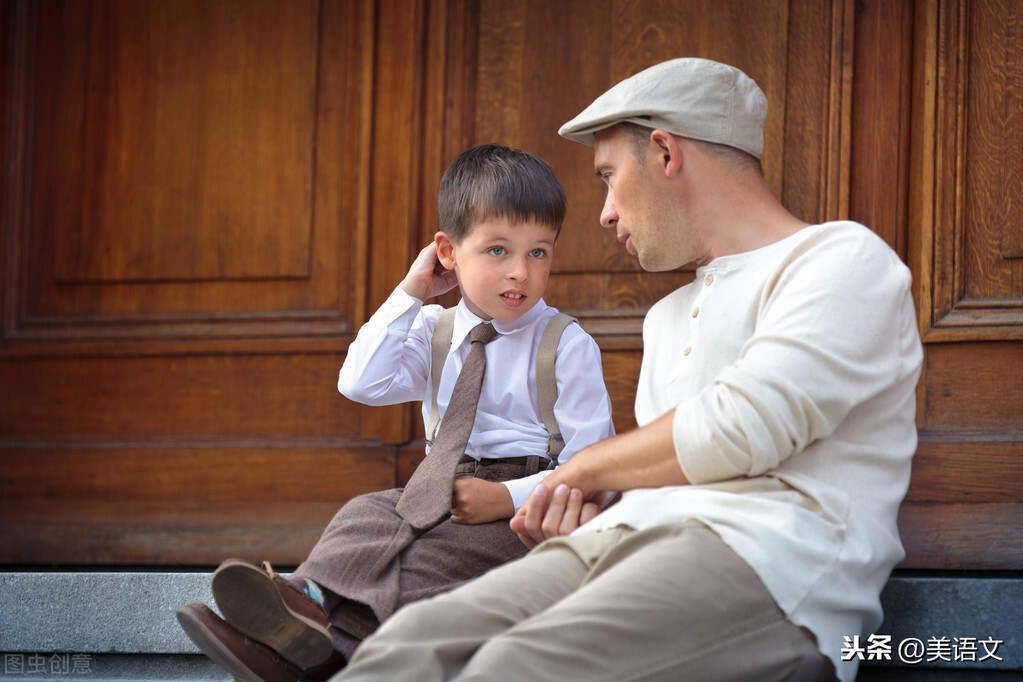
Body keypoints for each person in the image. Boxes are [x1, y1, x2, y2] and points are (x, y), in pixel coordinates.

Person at [334, 58, 923, 682]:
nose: (605, 213)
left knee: (513, 668)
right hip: (622, 543)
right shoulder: (666, 318)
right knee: (408, 646)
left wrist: (584, 469)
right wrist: (580, 513)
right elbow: (656, 480)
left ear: (666, 153)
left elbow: (744, 427)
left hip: (771, 568)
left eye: (610, 179)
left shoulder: (839, 259)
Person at [175, 143, 616, 682]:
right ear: (448, 252)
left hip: (525, 503)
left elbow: (594, 464)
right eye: (497, 251)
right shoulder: (432, 330)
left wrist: (505, 498)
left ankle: (312, 653)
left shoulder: (565, 345)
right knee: (367, 514)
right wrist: (412, 290)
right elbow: (359, 381)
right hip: (438, 485)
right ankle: (301, 602)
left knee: (429, 561)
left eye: (538, 252)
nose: (520, 272)